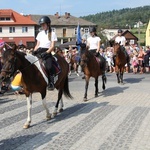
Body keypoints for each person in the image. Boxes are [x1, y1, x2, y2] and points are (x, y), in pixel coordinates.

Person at [33, 16, 57, 90]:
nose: (42, 26)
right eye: (41, 25)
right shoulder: (40, 34)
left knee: (49, 66)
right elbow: (37, 45)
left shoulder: (52, 33)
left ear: (48, 24)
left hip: (47, 51)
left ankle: (51, 82)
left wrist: (46, 53)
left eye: (43, 24)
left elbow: (52, 46)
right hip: (39, 50)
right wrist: (34, 51)